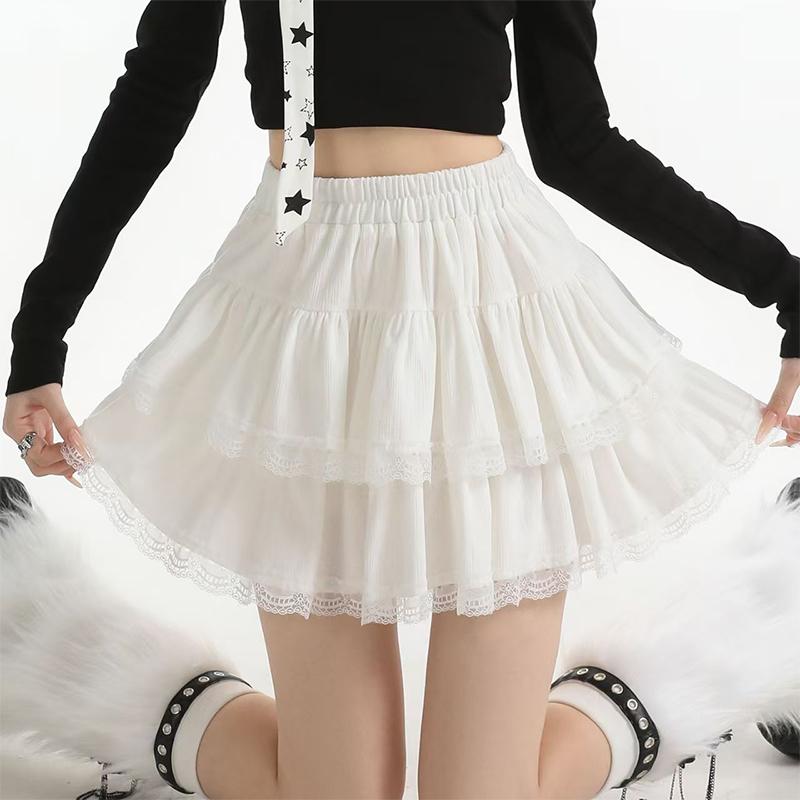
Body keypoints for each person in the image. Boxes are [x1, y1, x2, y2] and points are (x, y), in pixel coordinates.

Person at [2, 1, 799, 798]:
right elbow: (160, 85)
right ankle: (40, 623)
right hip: (305, 295)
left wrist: (784, 285)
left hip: (485, 298)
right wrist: (40, 338)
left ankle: (741, 633)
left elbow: (574, 140)